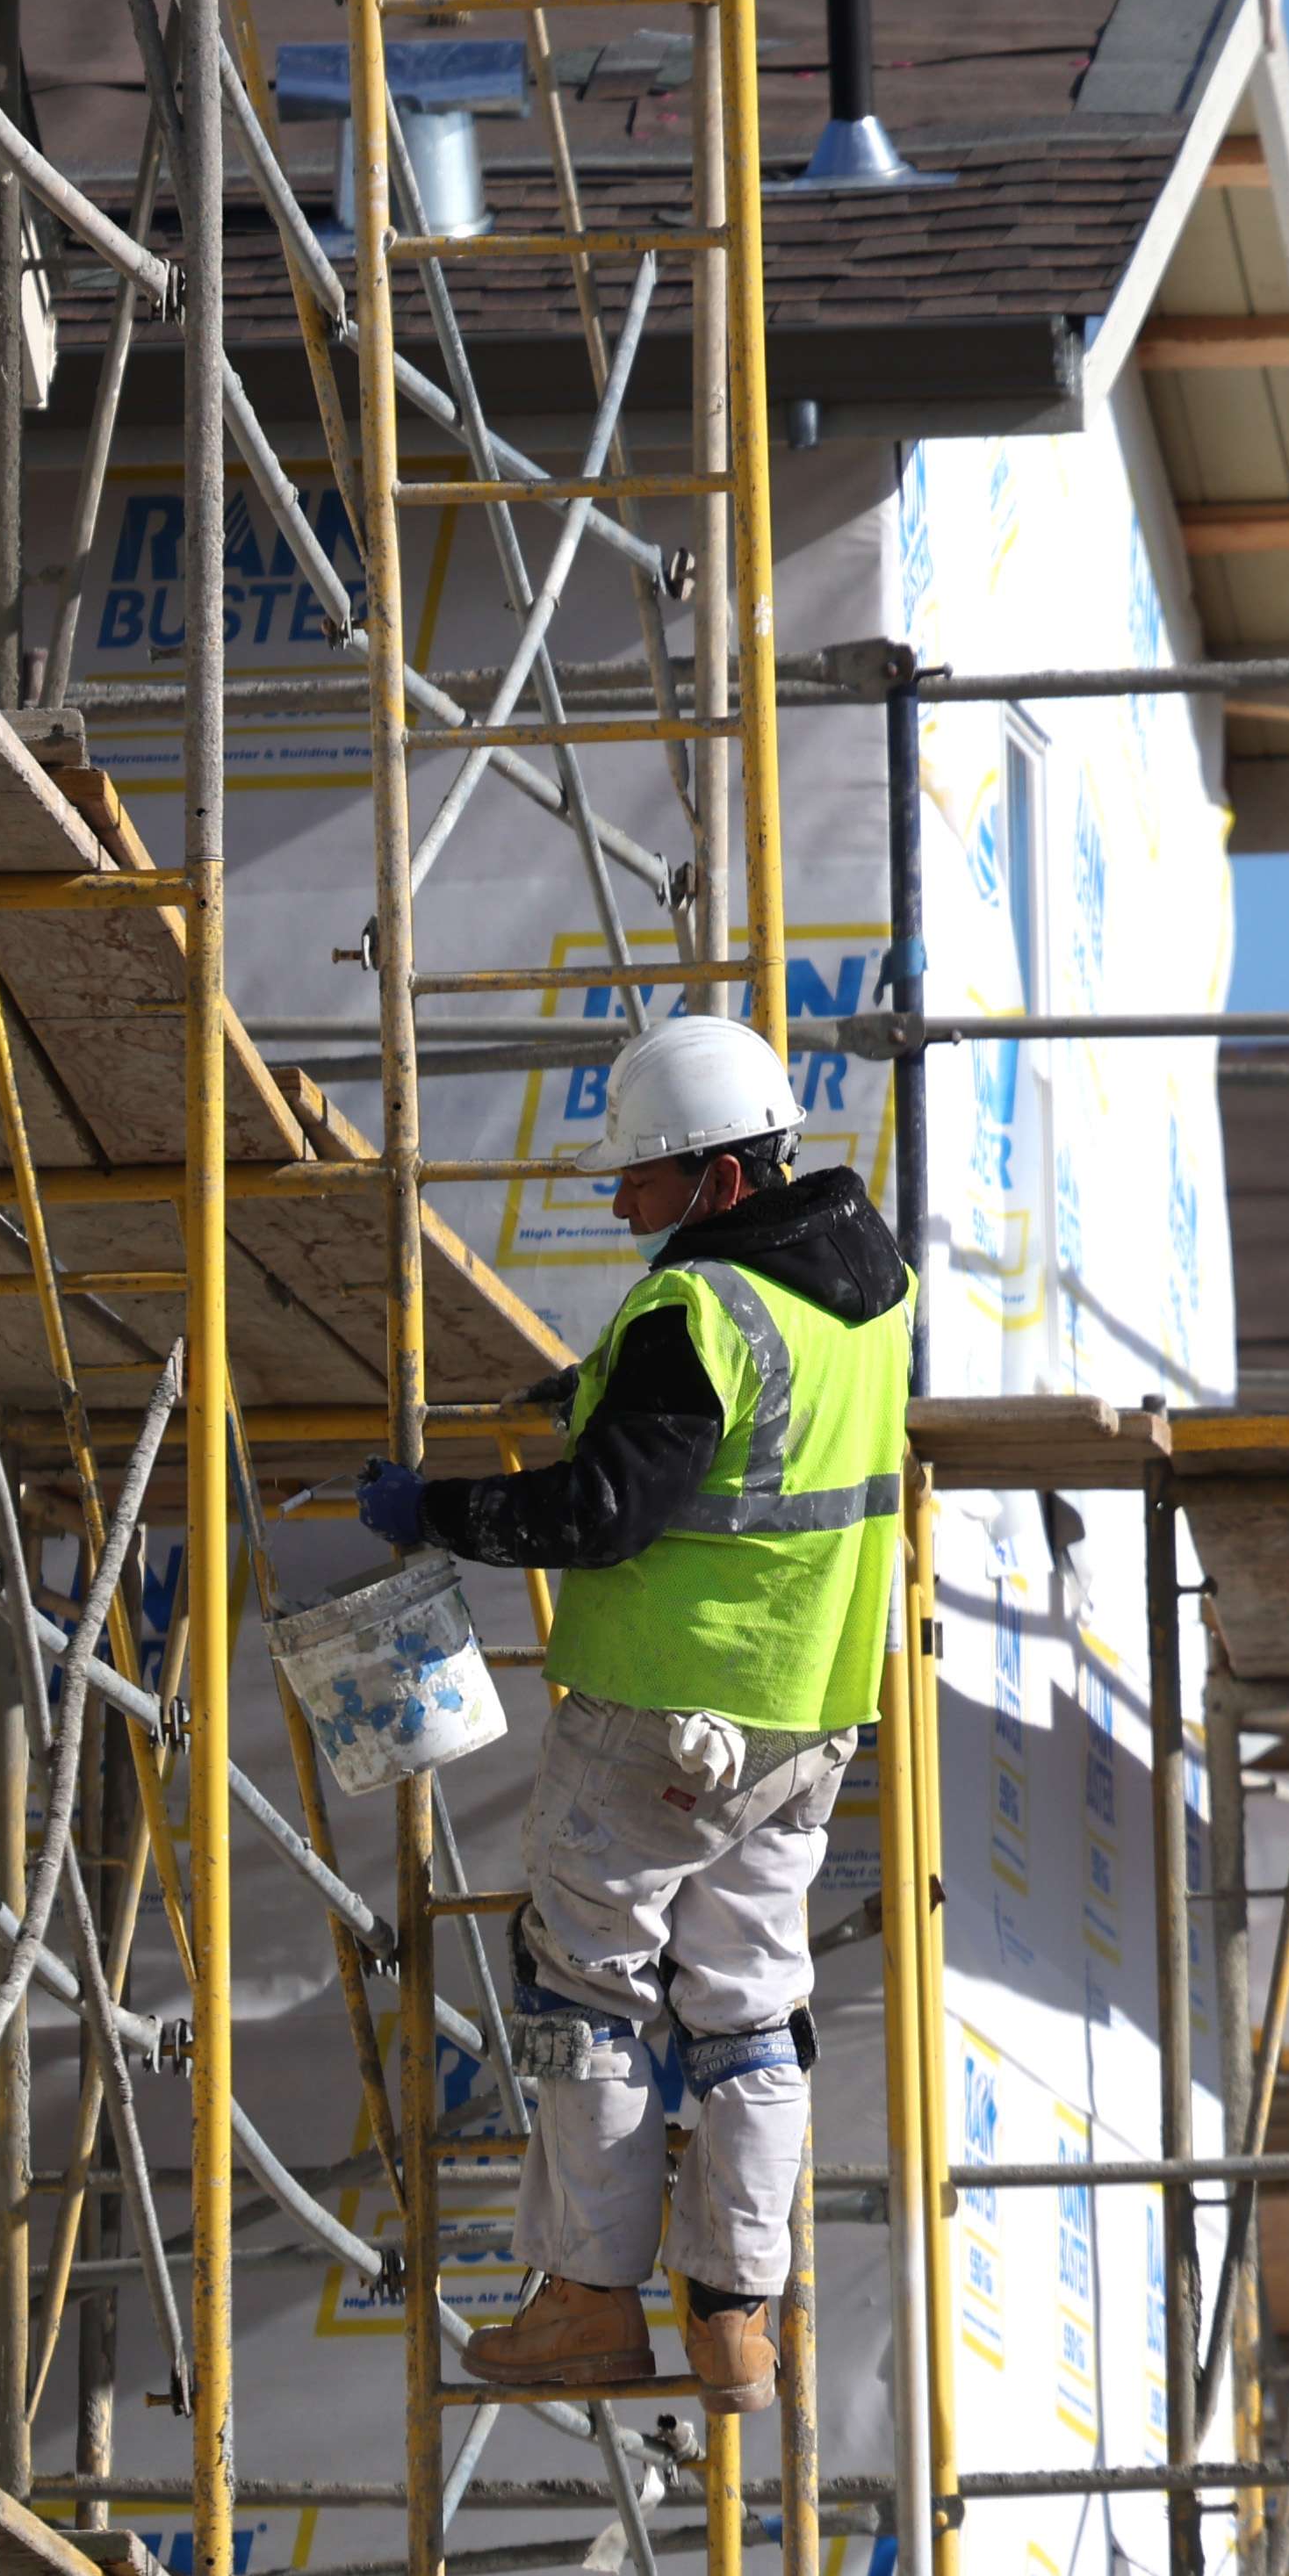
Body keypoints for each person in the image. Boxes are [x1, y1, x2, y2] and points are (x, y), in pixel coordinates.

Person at [350, 1015, 910, 2415]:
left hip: (659, 1713)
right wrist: (597, 1395)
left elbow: (604, 1514)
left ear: (720, 1182)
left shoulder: (697, 1312)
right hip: (803, 1719)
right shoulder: (872, 1285)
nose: (619, 1204)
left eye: (643, 1181)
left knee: (589, 1988)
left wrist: (445, 1511)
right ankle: (735, 2319)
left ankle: (590, 2302)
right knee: (749, 2010)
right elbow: (759, 1448)